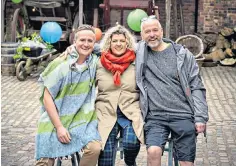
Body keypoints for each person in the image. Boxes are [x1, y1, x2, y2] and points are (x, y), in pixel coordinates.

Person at [135, 16, 208, 166]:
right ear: (142, 36)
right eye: (147, 31)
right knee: (153, 151)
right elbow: (112, 47)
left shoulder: (182, 54)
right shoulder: (139, 52)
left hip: (183, 114)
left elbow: (196, 86)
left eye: (155, 30)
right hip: (156, 116)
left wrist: (200, 117)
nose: (152, 34)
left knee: (185, 162)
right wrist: (74, 48)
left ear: (162, 31)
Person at [35, 24, 102, 166]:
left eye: (90, 41)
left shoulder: (95, 63)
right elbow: (47, 97)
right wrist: (59, 127)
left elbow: (111, 49)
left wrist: (94, 47)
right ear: (74, 42)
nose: (86, 44)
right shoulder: (60, 64)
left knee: (95, 148)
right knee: (45, 160)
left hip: (82, 118)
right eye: (82, 40)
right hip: (55, 118)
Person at [96, 25, 144, 166]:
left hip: (129, 110)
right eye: (115, 41)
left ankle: (130, 163)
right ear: (109, 43)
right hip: (106, 111)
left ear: (127, 42)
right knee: (105, 153)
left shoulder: (136, 63)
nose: (118, 44)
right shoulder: (99, 63)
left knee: (131, 143)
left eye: (122, 41)